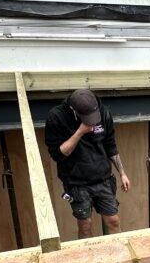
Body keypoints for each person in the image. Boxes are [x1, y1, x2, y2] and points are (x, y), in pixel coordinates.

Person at [44, 88, 130, 239]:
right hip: (77, 183)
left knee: (113, 220)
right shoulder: (56, 117)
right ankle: (88, 258)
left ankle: (116, 256)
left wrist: (122, 173)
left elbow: (111, 146)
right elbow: (57, 154)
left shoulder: (103, 112)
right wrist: (80, 132)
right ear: (73, 109)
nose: (93, 120)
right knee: (85, 225)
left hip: (103, 179)